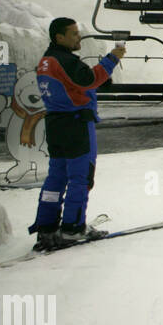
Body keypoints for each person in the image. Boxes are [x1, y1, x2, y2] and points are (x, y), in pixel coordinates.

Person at [28, 18, 126, 249]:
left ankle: (47, 226)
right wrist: (113, 59)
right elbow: (88, 79)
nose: (78, 37)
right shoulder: (65, 60)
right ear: (58, 37)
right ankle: (73, 228)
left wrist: (98, 81)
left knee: (57, 177)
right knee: (80, 177)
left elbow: (75, 83)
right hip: (76, 124)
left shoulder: (47, 60)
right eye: (73, 34)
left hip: (56, 124)